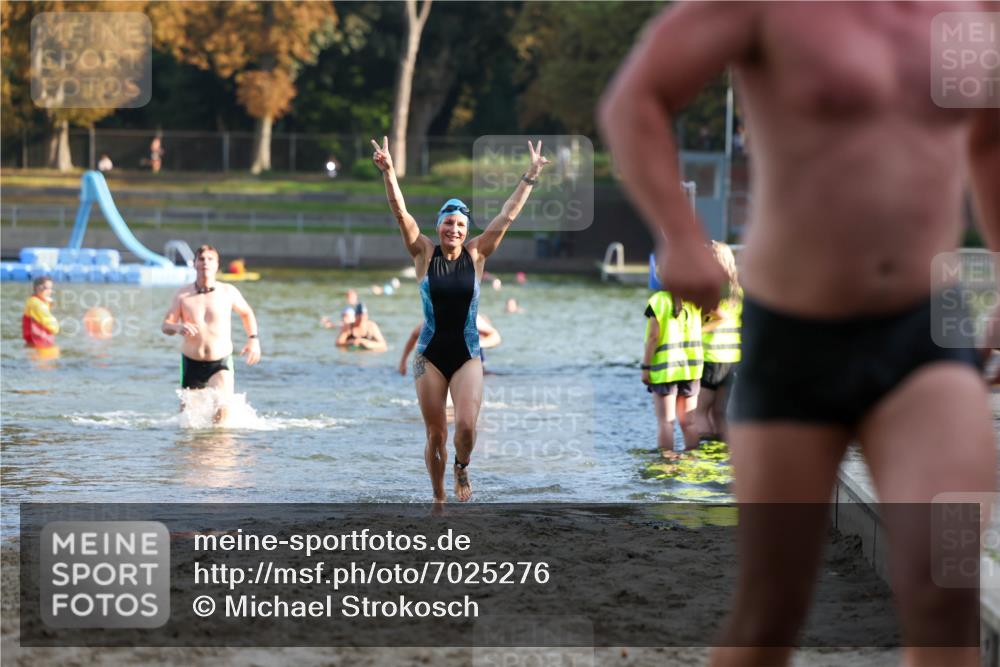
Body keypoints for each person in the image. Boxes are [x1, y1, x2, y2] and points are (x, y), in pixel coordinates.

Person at [600, 3, 998, 665]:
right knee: (772, 612)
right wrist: (679, 234)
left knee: (946, 582)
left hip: (925, 333)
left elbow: (988, 138)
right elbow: (635, 98)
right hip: (795, 342)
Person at [372, 135, 548, 502]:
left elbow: (508, 215)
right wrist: (389, 172)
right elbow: (400, 213)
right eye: (448, 223)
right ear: (439, 226)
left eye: (461, 226)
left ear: (467, 232)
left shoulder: (477, 254)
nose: (454, 230)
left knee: (465, 428)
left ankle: (462, 467)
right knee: (436, 434)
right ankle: (438, 499)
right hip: (429, 355)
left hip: (468, 354)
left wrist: (530, 176)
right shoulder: (423, 253)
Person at [162, 245, 261, 424]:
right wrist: (178, 328)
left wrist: (253, 339)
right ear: (195, 264)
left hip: (220, 361)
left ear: (216, 265)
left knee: (222, 408)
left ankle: (217, 449)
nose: (205, 263)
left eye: (210, 259)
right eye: (201, 259)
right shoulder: (182, 295)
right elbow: (166, 325)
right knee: (188, 420)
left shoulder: (228, 291)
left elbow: (247, 313)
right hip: (191, 362)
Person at [686, 241, 742, 448]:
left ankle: (702, 455)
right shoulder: (738, 290)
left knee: (699, 412)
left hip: (711, 358)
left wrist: (694, 332)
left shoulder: (713, 289)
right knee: (720, 414)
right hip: (732, 359)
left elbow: (720, 316)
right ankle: (724, 455)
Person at [641, 288, 702, 458]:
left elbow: (653, 337)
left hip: (666, 370)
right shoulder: (695, 298)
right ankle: (693, 462)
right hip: (691, 369)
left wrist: (646, 367)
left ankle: (667, 466)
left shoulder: (659, 300)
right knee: (689, 422)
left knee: (666, 422)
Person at [399, 314, 502, 376]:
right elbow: (414, 335)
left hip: (472, 368)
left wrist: (478, 343)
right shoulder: (432, 319)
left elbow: (495, 336)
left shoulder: (470, 317)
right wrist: (403, 361)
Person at [22, 276, 59, 350]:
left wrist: (47, 303)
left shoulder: (33, 300)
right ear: (39, 288)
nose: (50, 291)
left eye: (51, 288)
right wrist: (56, 325)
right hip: (41, 345)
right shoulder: (38, 305)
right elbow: (53, 328)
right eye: (48, 288)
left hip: (35, 343)